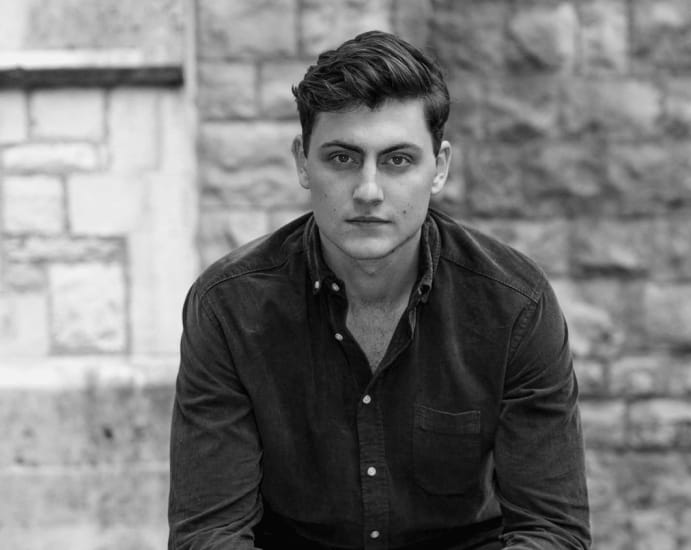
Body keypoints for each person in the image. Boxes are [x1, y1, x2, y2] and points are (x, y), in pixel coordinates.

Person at [168, 30, 591, 550]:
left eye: (397, 160)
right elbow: (209, 533)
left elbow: (552, 531)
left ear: (439, 168)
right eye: (343, 159)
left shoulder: (515, 305)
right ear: (302, 162)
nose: (368, 191)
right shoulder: (229, 308)